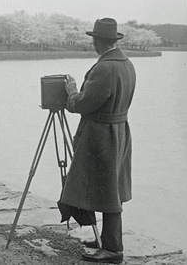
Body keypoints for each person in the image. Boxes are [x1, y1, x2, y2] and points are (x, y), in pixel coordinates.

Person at [59, 17, 136, 264]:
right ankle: (104, 239)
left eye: (94, 40)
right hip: (119, 130)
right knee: (108, 187)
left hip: (101, 135)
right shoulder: (127, 64)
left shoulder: (105, 67)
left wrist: (71, 93)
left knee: (107, 191)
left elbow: (84, 104)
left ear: (98, 42)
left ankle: (113, 249)